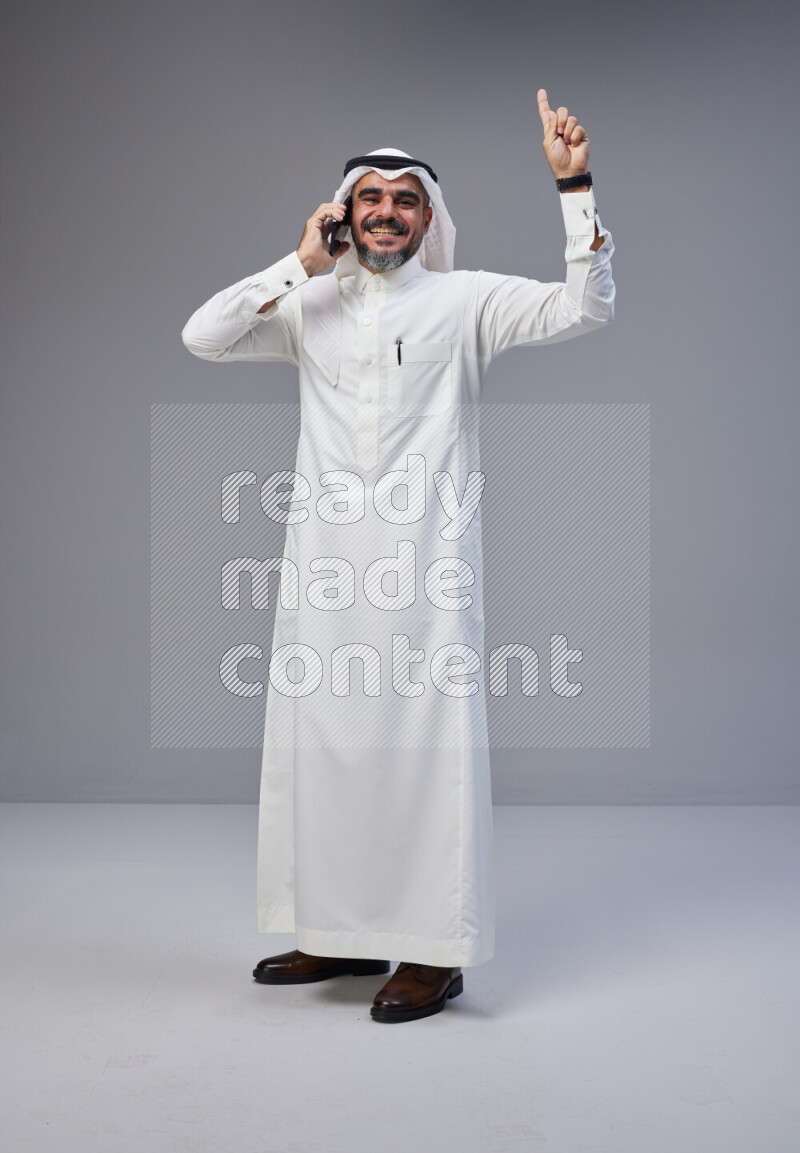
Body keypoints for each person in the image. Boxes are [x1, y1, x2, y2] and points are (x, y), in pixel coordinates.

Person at [181, 89, 615, 1024]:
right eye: (367, 197)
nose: (385, 211)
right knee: (325, 749)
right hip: (324, 575)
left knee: (426, 757)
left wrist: (573, 184)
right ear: (344, 211)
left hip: (425, 573)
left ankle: (433, 952)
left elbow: (587, 307)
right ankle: (337, 930)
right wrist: (298, 264)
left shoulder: (466, 300)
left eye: (404, 198)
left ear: (429, 216)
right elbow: (203, 337)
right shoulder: (310, 305)